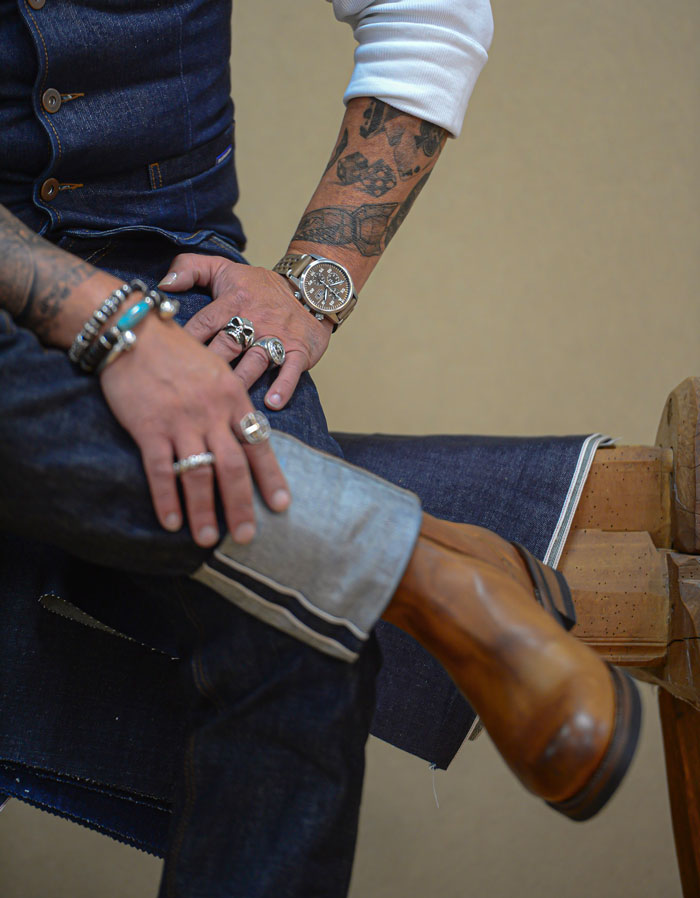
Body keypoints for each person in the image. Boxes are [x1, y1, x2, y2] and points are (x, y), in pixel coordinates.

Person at [0, 1, 641, 895]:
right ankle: (421, 567)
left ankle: (379, 556)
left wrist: (310, 287)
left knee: (294, 636)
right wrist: (114, 329)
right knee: (315, 591)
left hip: (176, 281)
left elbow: (427, 11)